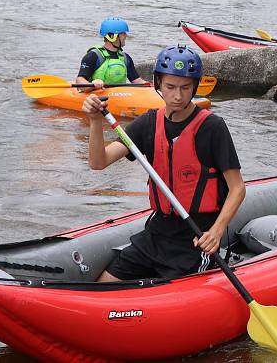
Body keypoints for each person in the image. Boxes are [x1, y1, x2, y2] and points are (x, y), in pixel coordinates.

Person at [81, 45, 246, 281]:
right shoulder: (148, 123)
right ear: (158, 84)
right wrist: (95, 122)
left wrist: (216, 232)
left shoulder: (212, 127)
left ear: (194, 87)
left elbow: (238, 188)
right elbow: (99, 162)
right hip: (157, 232)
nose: (177, 96)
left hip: (196, 237)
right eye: (170, 87)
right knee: (104, 284)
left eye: (185, 88)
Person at [76, 17, 147, 92]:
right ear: (112, 36)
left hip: (120, 97)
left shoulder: (125, 58)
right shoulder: (93, 56)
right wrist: (93, 84)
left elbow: (136, 81)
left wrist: (150, 86)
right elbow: (80, 81)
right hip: (96, 97)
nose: (126, 36)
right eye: (123, 33)